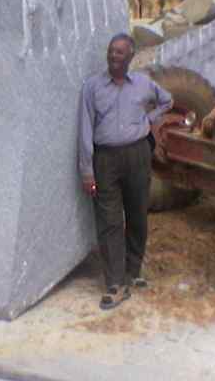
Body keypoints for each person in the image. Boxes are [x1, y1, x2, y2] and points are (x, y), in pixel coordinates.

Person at [78, 33, 173, 310]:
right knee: (109, 222)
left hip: (137, 155)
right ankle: (115, 283)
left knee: (137, 215)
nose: (113, 56)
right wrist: (87, 170)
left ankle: (133, 272)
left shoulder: (143, 84)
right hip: (105, 160)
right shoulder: (92, 87)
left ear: (130, 57)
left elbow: (167, 101)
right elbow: (85, 129)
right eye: (111, 51)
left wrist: (148, 119)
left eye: (120, 53)